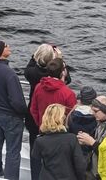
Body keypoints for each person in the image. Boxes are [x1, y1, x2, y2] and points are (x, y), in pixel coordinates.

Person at [25, 44, 71, 180]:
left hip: (36, 118)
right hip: (56, 121)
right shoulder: (60, 81)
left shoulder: (32, 74)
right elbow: (67, 78)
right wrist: (60, 59)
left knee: (35, 152)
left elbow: (30, 65)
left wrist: (37, 55)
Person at [0, 40, 26, 180]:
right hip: (10, 116)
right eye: (6, 46)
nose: (9, 47)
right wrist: (25, 113)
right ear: (2, 51)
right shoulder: (9, 73)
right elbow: (17, 101)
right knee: (13, 151)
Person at [29, 58, 77, 144]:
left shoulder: (38, 87)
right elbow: (71, 117)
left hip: (43, 129)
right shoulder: (68, 93)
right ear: (63, 72)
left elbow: (33, 109)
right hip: (61, 134)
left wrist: (41, 123)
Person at [33, 104, 86, 180]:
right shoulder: (71, 139)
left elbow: (36, 159)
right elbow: (80, 164)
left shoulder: (40, 141)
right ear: (62, 119)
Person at [76, 96, 106, 179]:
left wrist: (92, 142)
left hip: (105, 173)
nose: (92, 113)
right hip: (94, 168)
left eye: (95, 111)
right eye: (92, 110)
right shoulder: (100, 120)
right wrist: (85, 140)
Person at [67, 88, 100, 174]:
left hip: (74, 151)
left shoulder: (72, 115)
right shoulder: (97, 118)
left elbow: (67, 126)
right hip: (89, 152)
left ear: (80, 100)